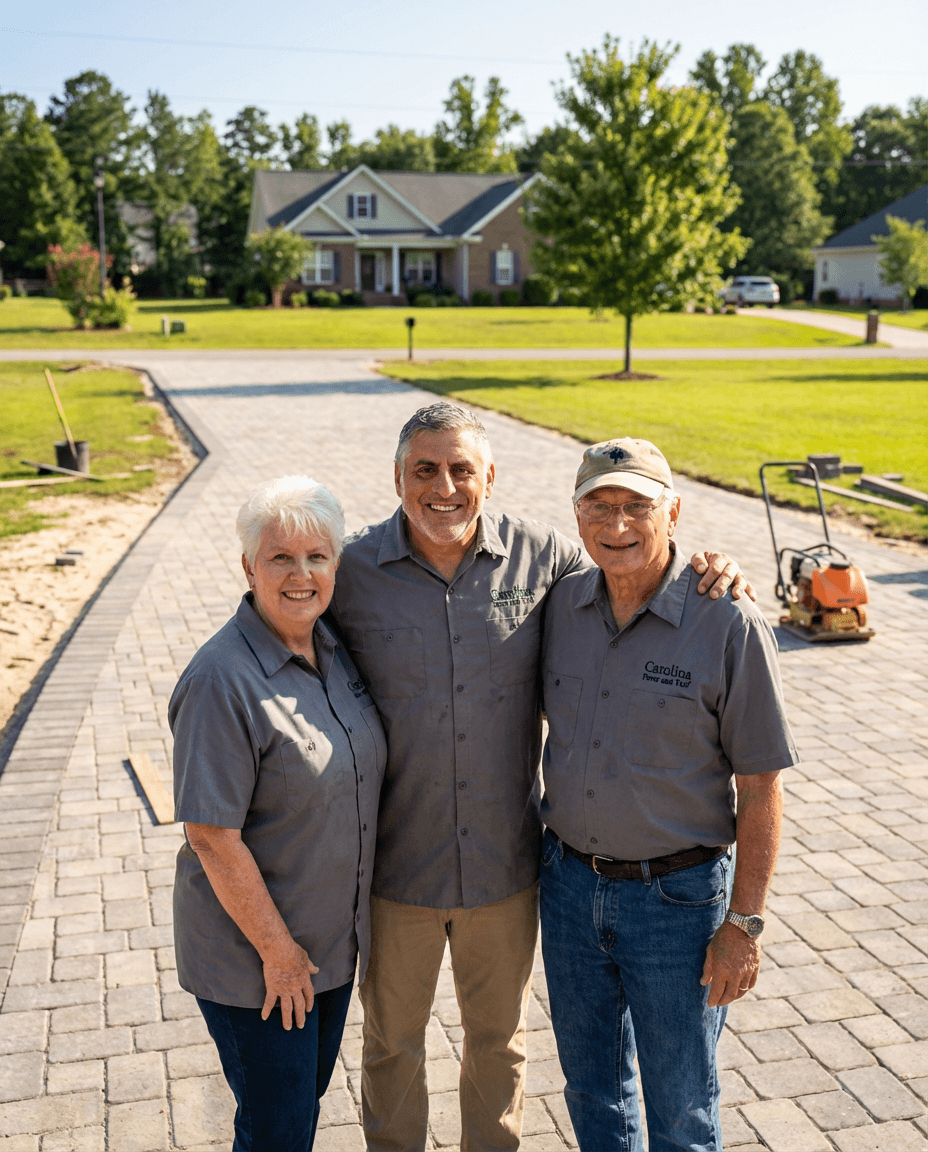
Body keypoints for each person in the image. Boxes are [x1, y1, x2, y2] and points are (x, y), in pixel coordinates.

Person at [328, 403, 753, 1151]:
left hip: (508, 870)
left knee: (500, 1046)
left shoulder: (546, 561)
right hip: (396, 870)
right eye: (425, 470)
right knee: (391, 1045)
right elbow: (283, 609)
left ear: (491, 477)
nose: (444, 488)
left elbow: (636, 565)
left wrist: (708, 568)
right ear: (397, 478)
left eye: (462, 469)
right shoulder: (350, 571)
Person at [539, 437, 798, 1152]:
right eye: (599, 506)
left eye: (637, 506)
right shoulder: (559, 605)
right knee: (591, 1088)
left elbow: (761, 788)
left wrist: (743, 925)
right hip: (567, 890)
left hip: (676, 906)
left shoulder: (729, 620)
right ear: (577, 515)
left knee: (681, 1107)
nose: (617, 524)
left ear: (674, 512)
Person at [169, 476, 386, 1152]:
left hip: (327, 951)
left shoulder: (332, 648)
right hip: (260, 962)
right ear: (248, 566)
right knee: (278, 1130)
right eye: (280, 558)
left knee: (295, 1112)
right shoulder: (220, 680)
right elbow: (211, 836)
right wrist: (279, 954)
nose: (301, 575)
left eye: (317, 557)